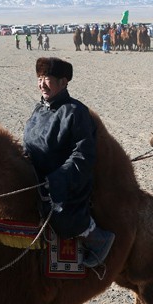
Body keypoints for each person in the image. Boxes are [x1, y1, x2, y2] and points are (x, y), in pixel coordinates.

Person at [23, 57, 115, 268]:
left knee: (60, 215)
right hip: (36, 178)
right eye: (39, 78)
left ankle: (96, 237)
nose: (41, 84)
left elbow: (82, 155)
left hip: (66, 183)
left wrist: (55, 181)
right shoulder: (39, 109)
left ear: (63, 82)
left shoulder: (76, 112)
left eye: (47, 78)